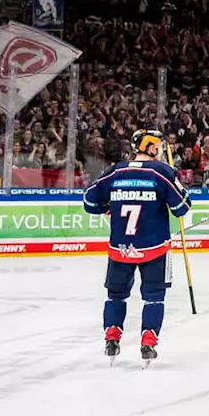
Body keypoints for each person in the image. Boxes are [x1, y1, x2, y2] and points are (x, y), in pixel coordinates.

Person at [83, 129, 191, 366]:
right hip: (155, 249)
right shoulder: (162, 172)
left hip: (120, 249)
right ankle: (148, 341)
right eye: (160, 146)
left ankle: (112, 337)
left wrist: (109, 205)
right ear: (151, 147)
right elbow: (182, 207)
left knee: (115, 296)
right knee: (154, 298)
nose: (162, 150)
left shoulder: (115, 170)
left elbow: (89, 202)